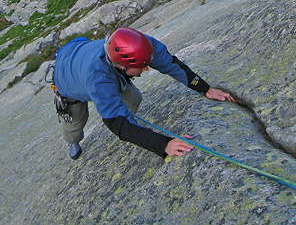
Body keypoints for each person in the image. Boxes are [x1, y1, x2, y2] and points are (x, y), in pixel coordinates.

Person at [52, 27, 234, 160]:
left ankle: (131, 122)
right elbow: (118, 124)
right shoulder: (99, 79)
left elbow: (171, 65)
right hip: (66, 80)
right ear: (121, 66)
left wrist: (205, 88)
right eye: (141, 66)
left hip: (82, 54)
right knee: (75, 123)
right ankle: (72, 141)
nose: (147, 69)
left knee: (134, 99)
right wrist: (163, 144)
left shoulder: (139, 44)